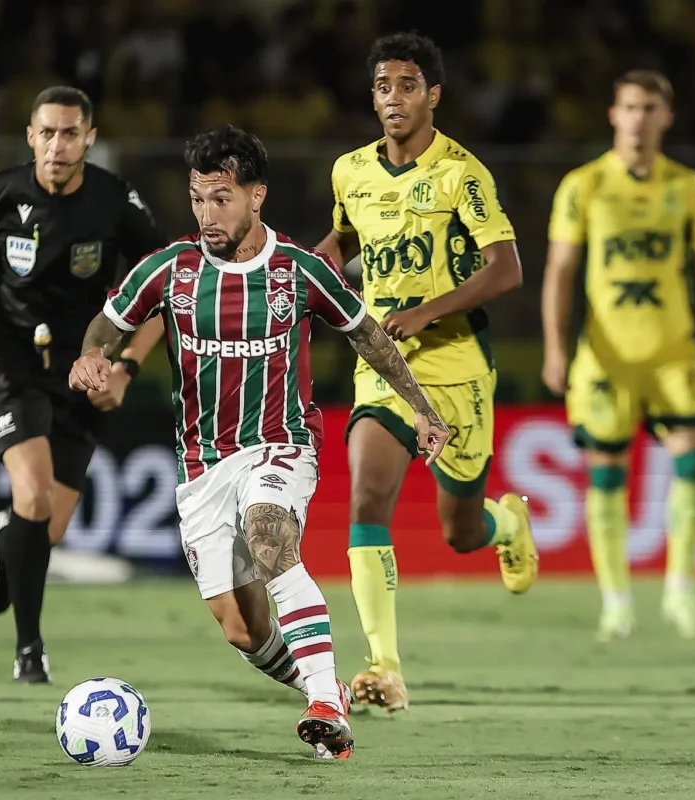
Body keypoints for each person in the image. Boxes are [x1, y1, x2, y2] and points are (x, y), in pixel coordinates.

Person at [69, 125, 449, 758]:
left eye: (221, 198)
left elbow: (368, 336)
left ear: (256, 196)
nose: (206, 213)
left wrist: (422, 408)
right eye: (197, 198)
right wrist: (89, 359)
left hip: (281, 446)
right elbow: (103, 329)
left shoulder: (296, 270)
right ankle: (324, 692)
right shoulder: (169, 270)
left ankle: (325, 700)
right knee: (242, 629)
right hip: (202, 465)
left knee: (270, 532)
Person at [315, 31, 537, 713]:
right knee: (365, 500)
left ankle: (508, 526)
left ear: (433, 95)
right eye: (383, 86)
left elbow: (507, 269)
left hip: (456, 367)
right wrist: (318, 265)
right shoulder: (350, 171)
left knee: (460, 531)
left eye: (407, 86)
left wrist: (427, 310)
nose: (393, 99)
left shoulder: (461, 174)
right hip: (383, 364)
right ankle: (383, 667)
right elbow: (346, 237)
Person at [0, 86, 168, 683]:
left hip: (85, 371)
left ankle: (3, 537)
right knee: (35, 500)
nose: (57, 145)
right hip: (8, 362)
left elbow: (168, 290)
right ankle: (29, 649)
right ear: (30, 135)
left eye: (70, 133)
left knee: (48, 529)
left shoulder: (116, 203)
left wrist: (127, 366)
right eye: (47, 132)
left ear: (90, 138)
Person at [541, 69, 695, 642]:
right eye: (630, 107)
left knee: (694, 460)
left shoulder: (689, 186)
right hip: (607, 357)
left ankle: (680, 591)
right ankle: (617, 602)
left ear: (666, 117)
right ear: (613, 115)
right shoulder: (585, 185)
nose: (639, 118)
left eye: (650, 108)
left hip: (674, 351)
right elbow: (560, 271)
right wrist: (555, 347)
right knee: (606, 474)